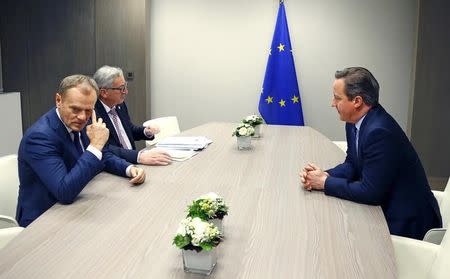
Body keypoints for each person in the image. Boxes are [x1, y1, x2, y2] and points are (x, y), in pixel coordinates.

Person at [300, 67, 442, 240]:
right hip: (386, 207)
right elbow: (352, 163)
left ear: (357, 101)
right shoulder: (354, 121)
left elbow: (371, 192)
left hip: (408, 225)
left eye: (337, 98)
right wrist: (323, 175)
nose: (332, 103)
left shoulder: (380, 132)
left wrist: (325, 183)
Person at [16, 75, 146, 227]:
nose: (83, 117)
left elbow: (101, 154)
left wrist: (129, 169)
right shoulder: (40, 137)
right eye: (75, 109)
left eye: (88, 110)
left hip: (76, 209)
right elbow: (64, 192)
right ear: (58, 100)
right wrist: (96, 145)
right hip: (42, 220)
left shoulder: (79, 120)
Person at [93, 65, 171, 165]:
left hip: (134, 162)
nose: (126, 91)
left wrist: (145, 131)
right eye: (121, 88)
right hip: (116, 166)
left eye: (125, 86)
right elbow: (105, 148)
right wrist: (138, 156)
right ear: (104, 92)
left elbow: (128, 130)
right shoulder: (94, 114)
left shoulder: (119, 105)